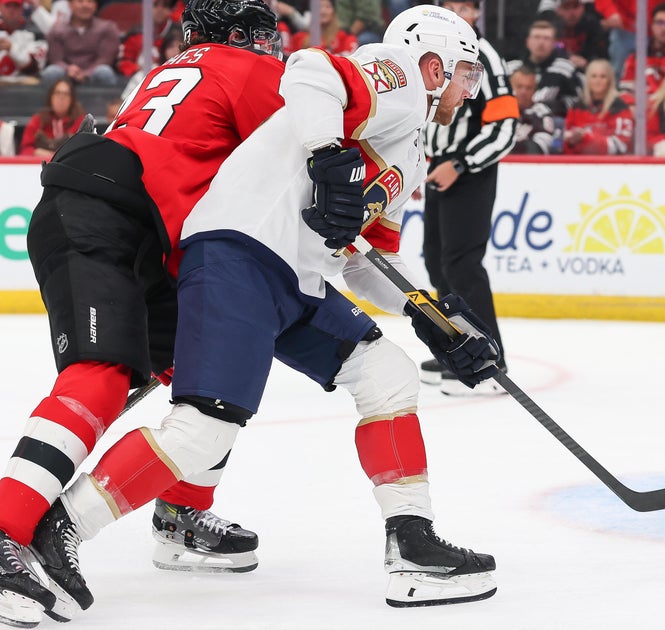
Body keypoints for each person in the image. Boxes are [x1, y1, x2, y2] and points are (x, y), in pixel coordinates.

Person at [26, 4, 501, 620]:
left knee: (387, 374)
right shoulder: (402, 75)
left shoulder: (409, 146)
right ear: (434, 61)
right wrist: (328, 153)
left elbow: (368, 259)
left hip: (293, 277)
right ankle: (58, 529)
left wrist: (433, 311)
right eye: (466, 72)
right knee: (204, 430)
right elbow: (310, 70)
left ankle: (411, 543)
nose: (471, 87)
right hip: (239, 250)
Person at [0, 1, 285, 625]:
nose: (275, 49)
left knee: (210, 368)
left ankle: (182, 512)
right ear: (239, 38)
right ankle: (5, 528)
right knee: (101, 372)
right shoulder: (248, 69)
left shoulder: (169, 73)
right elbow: (311, 156)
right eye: (266, 38)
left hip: (133, 227)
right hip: (106, 220)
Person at [420, 0, 517, 395]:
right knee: (435, 259)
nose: (462, 12)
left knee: (461, 264)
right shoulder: (438, 54)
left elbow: (505, 127)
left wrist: (459, 163)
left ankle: (490, 361)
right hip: (439, 165)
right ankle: (460, 346)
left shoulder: (485, 57)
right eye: (453, 4)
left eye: (468, 6)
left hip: (470, 170)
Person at [40, 0, 120, 87]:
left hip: (95, 72)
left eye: (90, 1)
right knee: (51, 72)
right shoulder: (56, 30)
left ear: (96, 5)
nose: (85, 5)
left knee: (104, 72)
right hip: (66, 73)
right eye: (80, 1)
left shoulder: (108, 28)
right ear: (70, 5)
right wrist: (68, 69)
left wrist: (85, 73)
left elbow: (105, 59)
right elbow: (56, 60)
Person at [562, 57, 632, 155]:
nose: (598, 80)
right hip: (580, 164)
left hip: (611, 165)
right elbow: (565, 147)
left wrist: (586, 138)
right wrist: (571, 143)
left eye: (602, 76)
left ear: (609, 80)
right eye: (593, 76)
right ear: (587, 80)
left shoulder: (619, 107)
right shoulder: (577, 107)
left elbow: (621, 146)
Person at [19, 78, 84, 157]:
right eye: (57, 93)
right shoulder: (38, 120)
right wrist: (36, 152)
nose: (61, 97)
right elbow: (24, 150)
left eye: (66, 94)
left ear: (72, 99)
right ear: (50, 97)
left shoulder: (80, 122)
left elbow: (84, 151)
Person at [115, 0, 180, 79]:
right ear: (146, 8)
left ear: (171, 9)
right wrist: (140, 69)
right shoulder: (135, 34)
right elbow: (124, 63)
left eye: (165, 6)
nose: (160, 10)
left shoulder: (179, 33)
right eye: (155, 5)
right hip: (137, 79)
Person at [510, 64, 561, 154]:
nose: (523, 92)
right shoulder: (495, 110)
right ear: (510, 87)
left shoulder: (542, 113)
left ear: (535, 90)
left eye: (528, 88)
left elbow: (539, 149)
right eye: (519, 86)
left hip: (527, 165)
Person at [287, 0, 356, 56]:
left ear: (333, 11)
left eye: (327, 7)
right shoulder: (299, 37)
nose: (323, 11)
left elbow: (349, 60)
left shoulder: (345, 36)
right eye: (318, 7)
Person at [0, 0, 47, 79]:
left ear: (22, 8)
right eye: (7, 6)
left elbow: (35, 68)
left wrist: (12, 49)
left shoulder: (35, 32)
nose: (11, 10)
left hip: (25, 84)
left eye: (16, 6)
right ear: (0, 7)